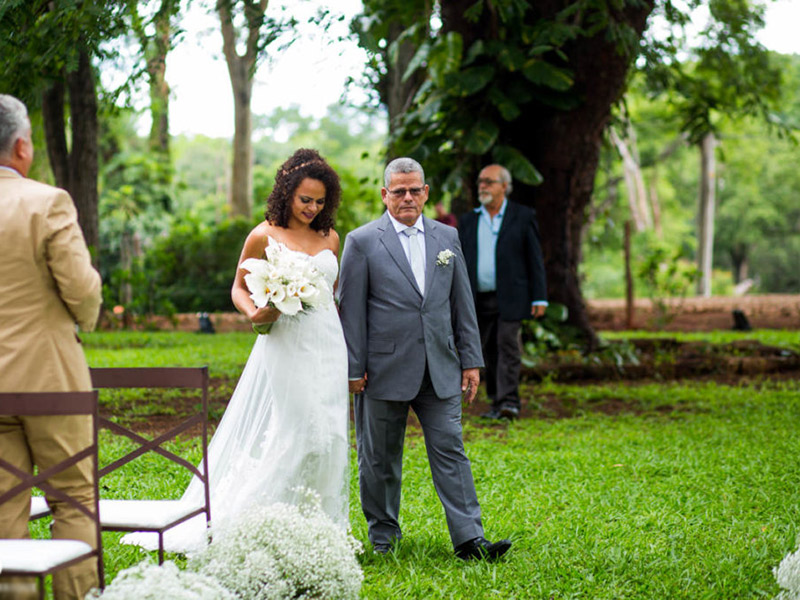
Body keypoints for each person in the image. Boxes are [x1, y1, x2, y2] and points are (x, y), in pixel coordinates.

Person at [122, 148, 349, 553]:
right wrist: (255, 314)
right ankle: (262, 522)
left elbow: (330, 294)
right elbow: (239, 287)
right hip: (286, 341)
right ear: (286, 194)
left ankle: (319, 529)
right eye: (304, 200)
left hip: (329, 342)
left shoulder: (330, 237)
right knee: (300, 429)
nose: (312, 208)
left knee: (330, 434)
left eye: (319, 201)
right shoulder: (264, 234)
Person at [338, 157, 511, 561]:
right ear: (385, 195)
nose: (408, 197)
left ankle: (470, 540)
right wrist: (352, 368)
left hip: (440, 367)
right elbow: (351, 311)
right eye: (399, 191)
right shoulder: (361, 241)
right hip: (381, 370)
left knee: (451, 450)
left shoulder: (447, 238)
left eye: (415, 190)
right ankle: (385, 538)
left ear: (426, 192)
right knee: (378, 458)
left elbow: (461, 304)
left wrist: (471, 360)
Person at [0, 94, 102, 600]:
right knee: (74, 498)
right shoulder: (47, 201)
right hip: (49, 380)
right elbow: (82, 292)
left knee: (3, 505)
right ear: (21, 146)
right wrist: (85, 318)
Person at [458, 164, 547, 421]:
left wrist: (539, 296)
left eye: (489, 181)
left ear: (504, 186)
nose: (483, 186)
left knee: (507, 345)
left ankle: (510, 403)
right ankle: (496, 402)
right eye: (480, 182)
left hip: (512, 296)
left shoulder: (523, 215)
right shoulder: (469, 220)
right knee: (487, 350)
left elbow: (535, 259)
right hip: (478, 297)